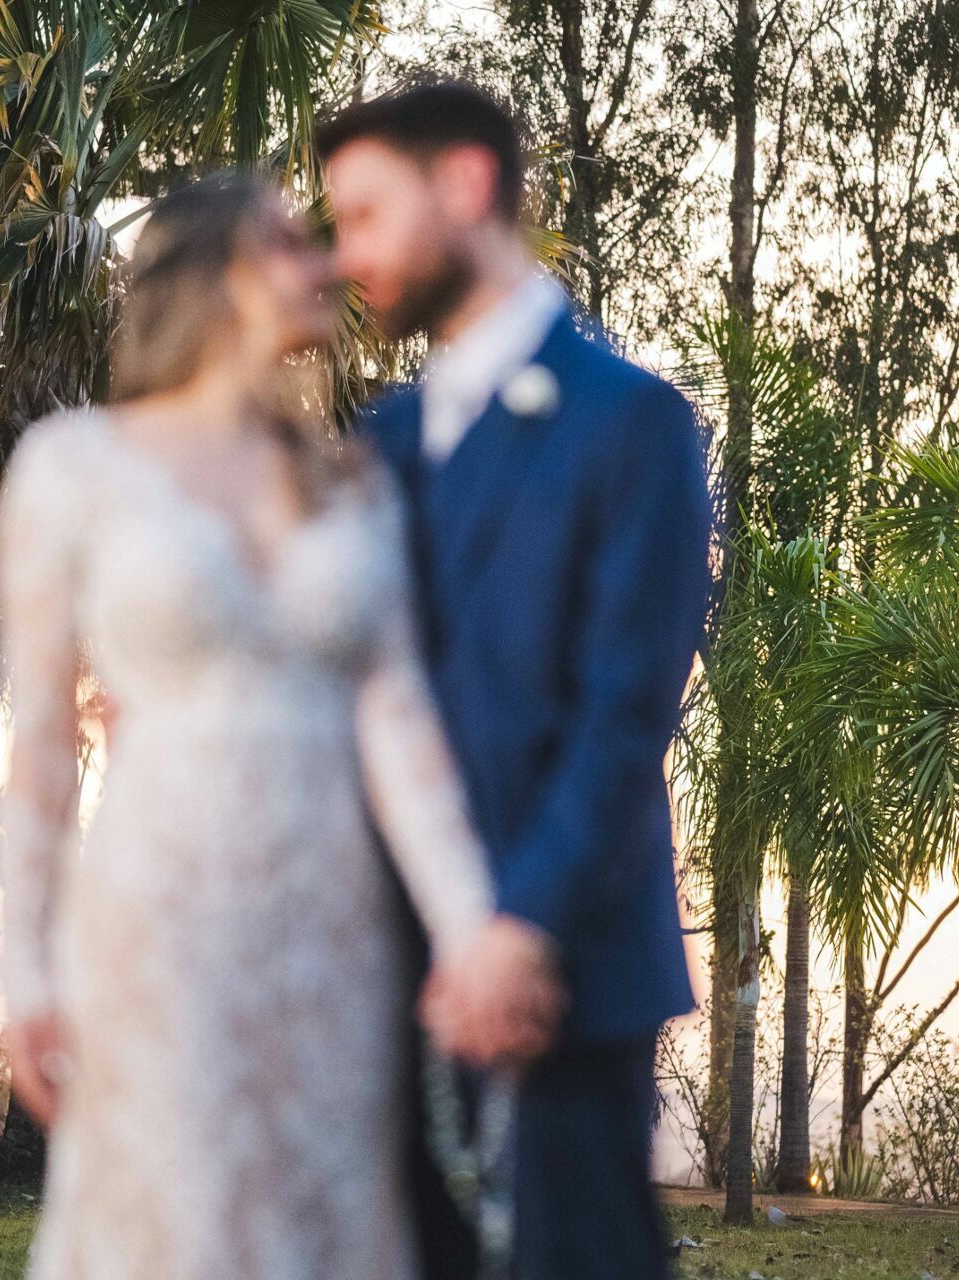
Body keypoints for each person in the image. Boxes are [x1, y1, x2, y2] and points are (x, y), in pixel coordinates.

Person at [0, 172, 561, 1280]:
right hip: (156, 923)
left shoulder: (353, 484)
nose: (329, 267)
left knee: (328, 1226)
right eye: (295, 246)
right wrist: (26, 976)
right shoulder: (72, 466)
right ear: (219, 278)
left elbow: (402, 735)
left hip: (334, 936)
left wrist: (468, 928)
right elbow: (42, 754)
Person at [320, 81, 713, 1280]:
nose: (349, 256)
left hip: (566, 968)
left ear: (467, 187)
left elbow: (624, 710)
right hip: (387, 974)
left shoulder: (634, 421)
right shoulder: (377, 442)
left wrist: (516, 927)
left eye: (368, 214)